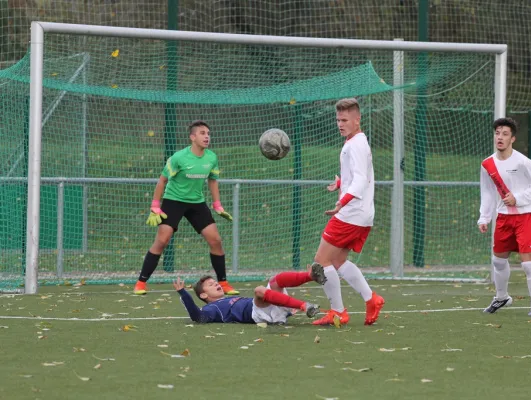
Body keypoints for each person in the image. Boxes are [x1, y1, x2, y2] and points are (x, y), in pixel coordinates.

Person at [133, 120, 238, 295]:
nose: (207, 136)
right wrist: (155, 205)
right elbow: (162, 180)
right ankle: (141, 282)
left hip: (196, 203)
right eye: (202, 133)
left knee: (216, 241)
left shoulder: (211, 157)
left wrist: (217, 204)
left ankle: (224, 283)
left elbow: (212, 180)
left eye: (208, 133)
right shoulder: (178, 158)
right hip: (173, 201)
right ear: (192, 137)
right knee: (162, 240)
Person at [311, 98, 385, 326]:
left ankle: (338, 311)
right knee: (338, 260)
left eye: (344, 120)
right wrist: (342, 182)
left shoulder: (356, 144)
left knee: (320, 263)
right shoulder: (356, 141)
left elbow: (362, 180)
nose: (340, 124)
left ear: (357, 119)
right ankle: (371, 298)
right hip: (360, 214)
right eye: (338, 120)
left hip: (351, 213)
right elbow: (358, 175)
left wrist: (342, 201)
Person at [478, 117, 531, 316]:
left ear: (512, 139)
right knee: (498, 261)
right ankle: (502, 297)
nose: (500, 137)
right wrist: (484, 217)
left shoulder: (523, 162)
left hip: (526, 217)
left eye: (505, 134)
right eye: (497, 133)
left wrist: (518, 198)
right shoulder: (487, 164)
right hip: (503, 218)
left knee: (527, 263)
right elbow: (488, 193)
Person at [173, 263, 327, 324]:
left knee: (276, 280)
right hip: (257, 314)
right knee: (259, 290)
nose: (216, 284)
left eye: (215, 282)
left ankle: (311, 276)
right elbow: (198, 317)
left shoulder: (228, 299)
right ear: (203, 296)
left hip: (267, 309)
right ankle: (304, 306)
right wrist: (183, 294)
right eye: (210, 285)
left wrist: (285, 312)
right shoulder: (212, 309)